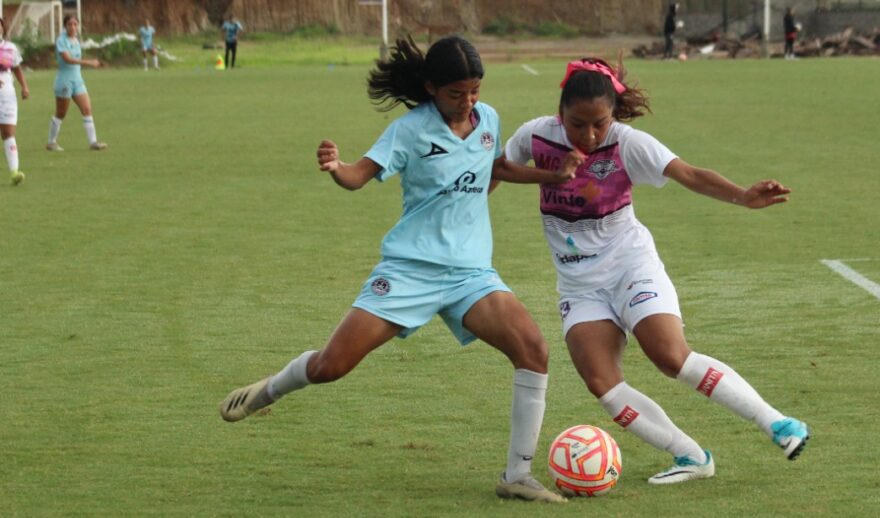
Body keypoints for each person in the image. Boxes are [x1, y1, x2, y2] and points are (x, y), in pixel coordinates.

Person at [219, 35, 580, 503]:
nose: (468, 101)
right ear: (431, 87)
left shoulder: (487, 120)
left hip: (471, 274)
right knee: (332, 366)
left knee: (534, 350)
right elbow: (357, 176)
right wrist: (336, 166)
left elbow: (497, 170)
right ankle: (268, 390)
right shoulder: (410, 130)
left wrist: (552, 176)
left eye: (475, 90)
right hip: (410, 271)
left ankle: (517, 476)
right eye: (457, 93)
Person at [496, 57, 810, 485]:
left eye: (599, 124)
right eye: (577, 124)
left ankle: (776, 422)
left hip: (630, 266)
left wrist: (743, 197)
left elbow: (689, 173)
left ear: (613, 116)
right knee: (602, 383)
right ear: (560, 113)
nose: (589, 135)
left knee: (670, 356)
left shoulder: (628, 143)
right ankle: (691, 456)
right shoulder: (534, 135)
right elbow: (498, 169)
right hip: (579, 284)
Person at [47, 15, 106, 152]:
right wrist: (89, 62)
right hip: (64, 81)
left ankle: (93, 142)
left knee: (87, 109)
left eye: (75, 24)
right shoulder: (61, 40)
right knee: (61, 113)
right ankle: (51, 142)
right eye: (70, 24)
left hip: (77, 80)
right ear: (65, 26)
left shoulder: (76, 40)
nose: (73, 27)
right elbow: (67, 59)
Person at [0, 16, 29, 186]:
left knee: (9, 133)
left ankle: (14, 172)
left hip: (7, 94)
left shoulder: (10, 48)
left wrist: (24, 86)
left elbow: (16, 68)